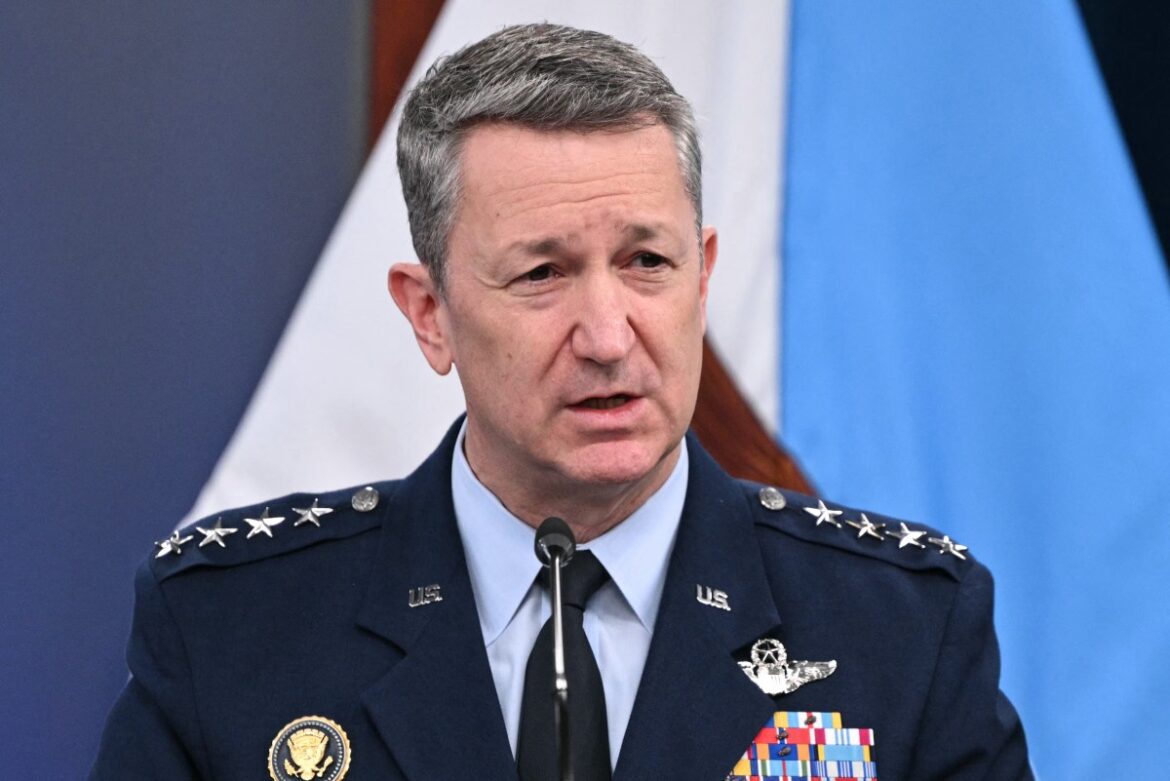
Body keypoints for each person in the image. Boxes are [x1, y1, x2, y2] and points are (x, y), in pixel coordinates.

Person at [91, 23, 1031, 781]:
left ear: (702, 280)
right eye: (543, 272)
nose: (610, 334)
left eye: (647, 263)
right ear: (431, 316)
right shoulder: (232, 629)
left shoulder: (903, 630)